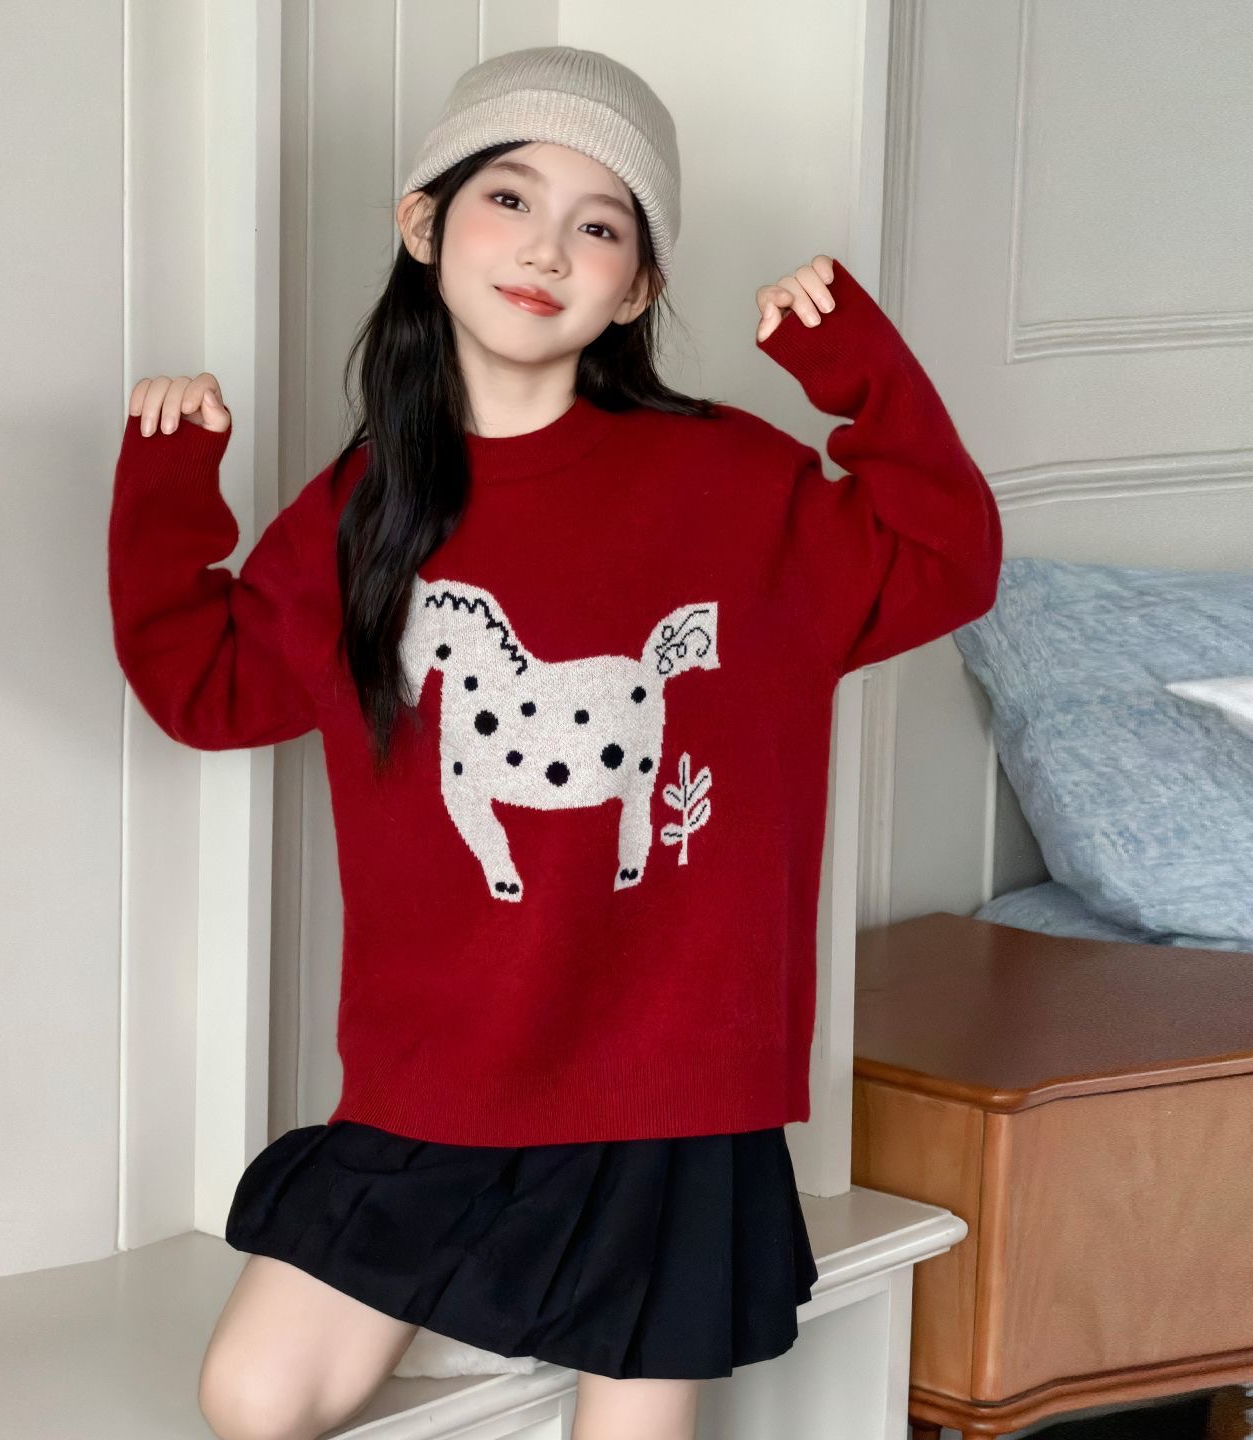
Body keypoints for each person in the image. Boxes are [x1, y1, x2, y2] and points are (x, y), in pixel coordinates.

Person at [106, 44, 1002, 1440]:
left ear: (636, 287)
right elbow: (207, 688)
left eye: (600, 225)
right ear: (424, 224)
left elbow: (946, 559)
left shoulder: (733, 483)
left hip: (670, 1081)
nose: (546, 249)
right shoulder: (364, 514)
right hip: (443, 1070)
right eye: (510, 199)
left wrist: (857, 373)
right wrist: (169, 492)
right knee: (252, 1398)